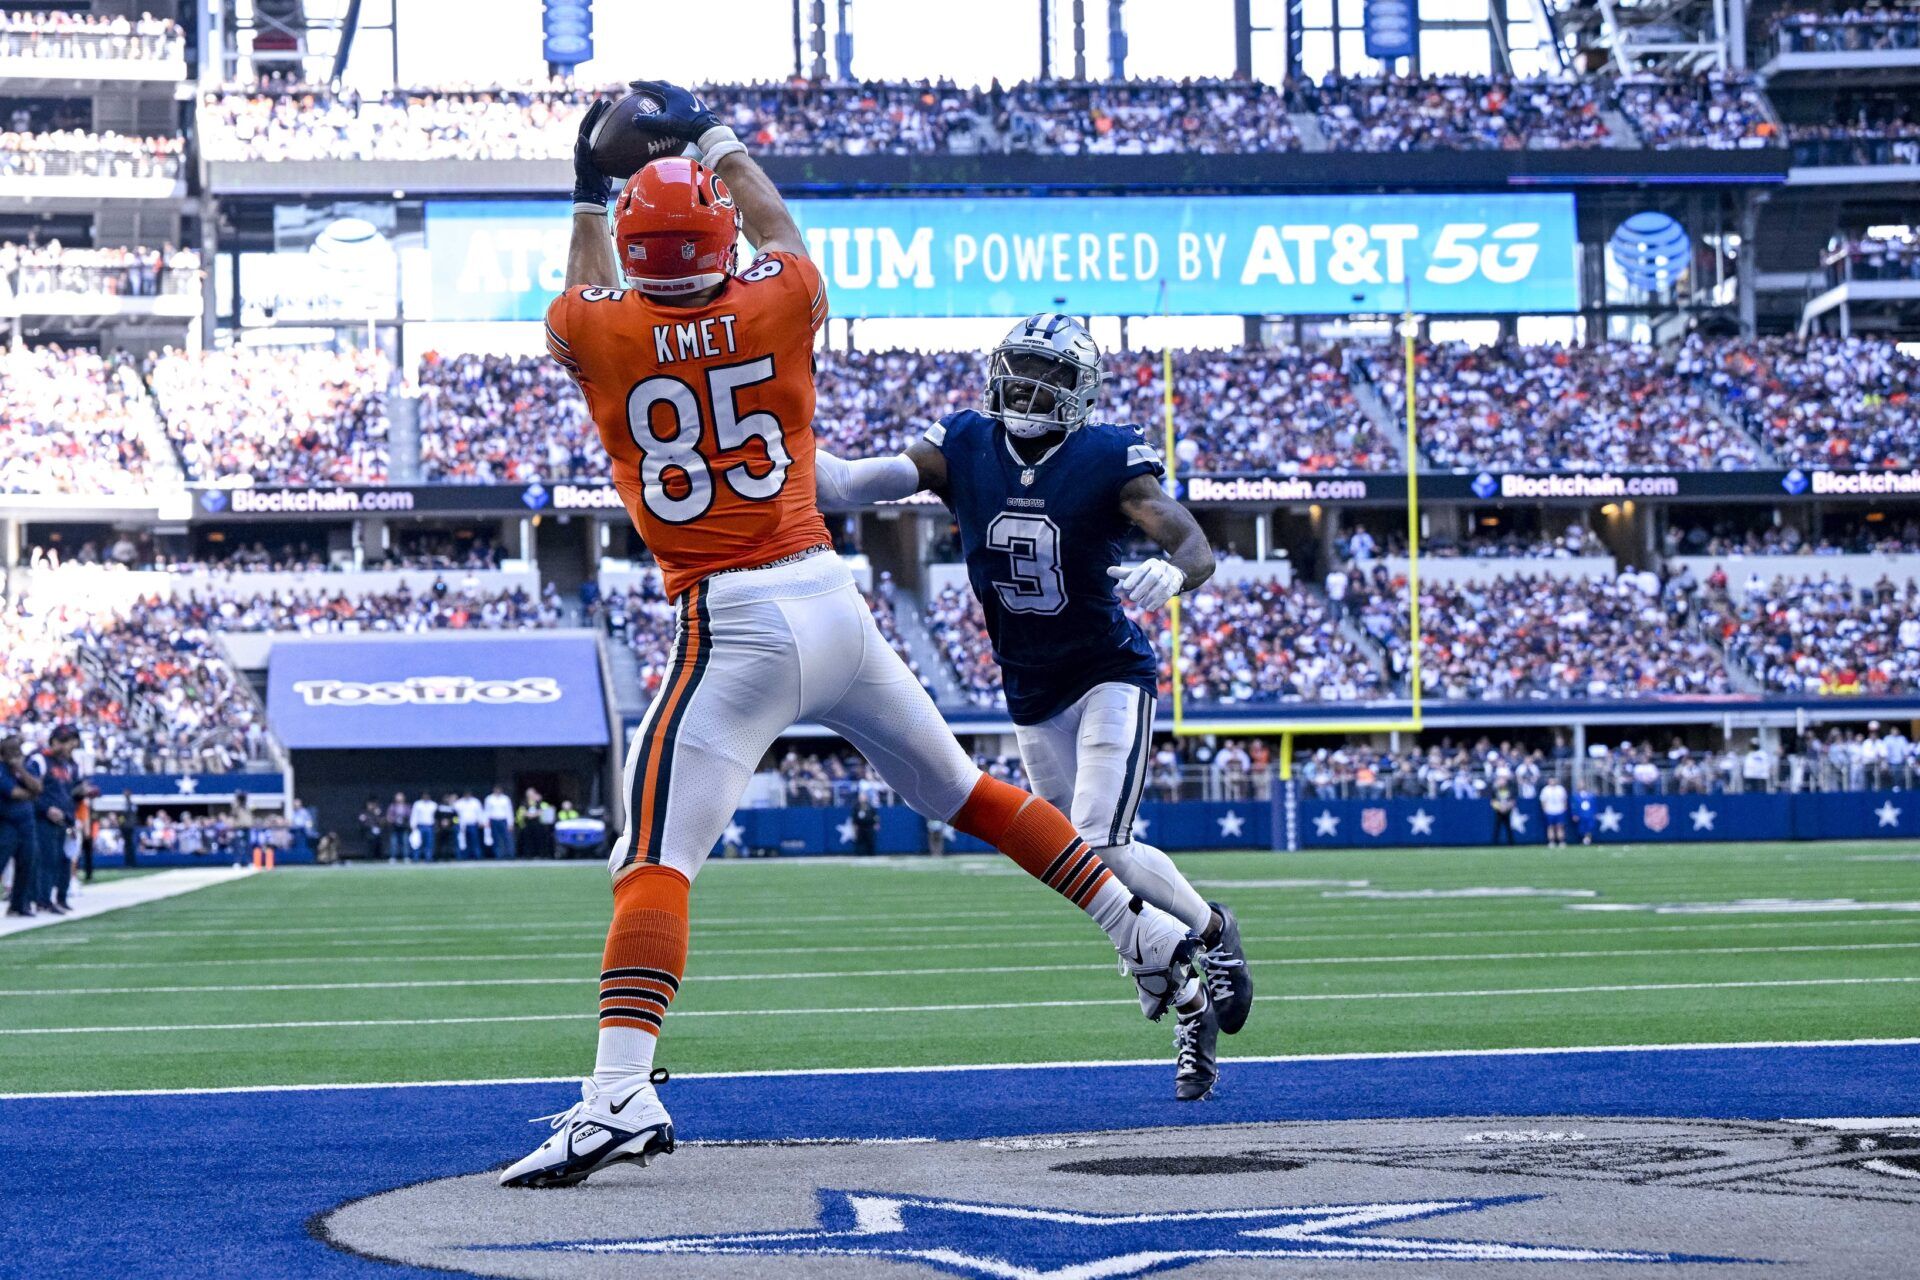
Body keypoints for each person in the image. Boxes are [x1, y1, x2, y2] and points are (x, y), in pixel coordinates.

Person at [502, 83, 1205, 1191]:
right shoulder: (780, 301)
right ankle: (1145, 933)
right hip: (830, 598)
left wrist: (591, 180)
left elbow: (588, 281)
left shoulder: (597, 324)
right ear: (720, 236)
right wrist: (720, 139)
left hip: (727, 617)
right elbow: (778, 233)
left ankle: (617, 1091)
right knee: (967, 792)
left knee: (651, 858)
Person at [814, 311, 1255, 1102]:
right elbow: (846, 482)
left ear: (1082, 391)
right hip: (1029, 687)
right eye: (1023, 366)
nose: (1030, 385)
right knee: (1071, 862)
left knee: (1097, 843)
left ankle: (1211, 934)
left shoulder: (1106, 456)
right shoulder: (963, 443)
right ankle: (1182, 989)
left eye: (1052, 374)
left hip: (1106, 672)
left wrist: (1179, 574)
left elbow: (1192, 541)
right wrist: (755, 441)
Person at [25, 726, 95, 914]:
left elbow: (70, 791)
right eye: (65, 742)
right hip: (44, 818)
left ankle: (61, 898)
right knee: (47, 860)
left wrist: (81, 793)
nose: (69, 746)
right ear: (54, 742)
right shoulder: (39, 760)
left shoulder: (67, 764)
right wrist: (46, 808)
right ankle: (43, 899)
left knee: (65, 860)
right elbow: (29, 790)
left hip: (66, 817)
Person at [1, 737, 41, 917]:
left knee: (27, 863)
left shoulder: (28, 767)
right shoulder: (1, 771)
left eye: (18, 752)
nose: (15, 756)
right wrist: (30, 795)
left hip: (27, 823)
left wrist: (20, 769)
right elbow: (13, 792)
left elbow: (38, 787)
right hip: (7, 823)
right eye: (11, 753)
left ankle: (19, 904)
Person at [484, 784, 516, 859]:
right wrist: (486, 821)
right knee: (496, 838)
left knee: (507, 838)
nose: (497, 791)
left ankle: (510, 854)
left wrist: (510, 823)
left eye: (499, 789)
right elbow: (487, 811)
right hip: (493, 820)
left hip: (503, 820)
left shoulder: (505, 799)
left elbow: (509, 811)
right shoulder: (489, 799)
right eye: (496, 789)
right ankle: (498, 855)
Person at [454, 790, 484, 860]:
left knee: (474, 841)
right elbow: (455, 814)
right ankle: (463, 857)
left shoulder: (475, 802)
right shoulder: (459, 803)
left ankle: (477, 856)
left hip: (473, 824)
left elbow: (479, 812)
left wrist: (481, 821)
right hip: (462, 825)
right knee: (462, 841)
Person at [1539, 776, 1569, 848]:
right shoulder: (1545, 790)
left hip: (1559, 810)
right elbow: (1543, 801)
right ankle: (1551, 842)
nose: (1552, 782)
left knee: (1560, 827)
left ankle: (1561, 841)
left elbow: (1564, 800)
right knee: (1550, 827)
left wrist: (1564, 809)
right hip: (1549, 811)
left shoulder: (1560, 789)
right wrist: (1545, 810)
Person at [408, 792, 437, 863]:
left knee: (429, 843)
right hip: (420, 826)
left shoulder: (433, 805)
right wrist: (412, 825)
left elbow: (436, 816)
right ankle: (416, 858)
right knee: (417, 843)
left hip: (429, 826)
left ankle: (428, 858)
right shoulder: (417, 804)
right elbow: (414, 815)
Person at [1489, 770, 1517, 844]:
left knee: (1509, 827)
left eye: (1503, 780)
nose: (1502, 782)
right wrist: (1500, 808)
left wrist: (1506, 807)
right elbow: (1492, 802)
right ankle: (1495, 843)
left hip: (1507, 811)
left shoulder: (1510, 789)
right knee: (1497, 827)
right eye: (1500, 780)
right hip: (1499, 811)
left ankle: (1511, 843)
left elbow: (1513, 801)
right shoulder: (1495, 790)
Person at [384, 792, 410, 863]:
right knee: (393, 843)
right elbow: (389, 817)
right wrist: (393, 819)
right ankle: (393, 857)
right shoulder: (392, 806)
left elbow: (409, 815)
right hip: (394, 827)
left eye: (400, 797)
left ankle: (406, 857)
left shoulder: (406, 806)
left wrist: (404, 818)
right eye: (397, 797)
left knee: (405, 843)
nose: (399, 799)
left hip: (404, 827)